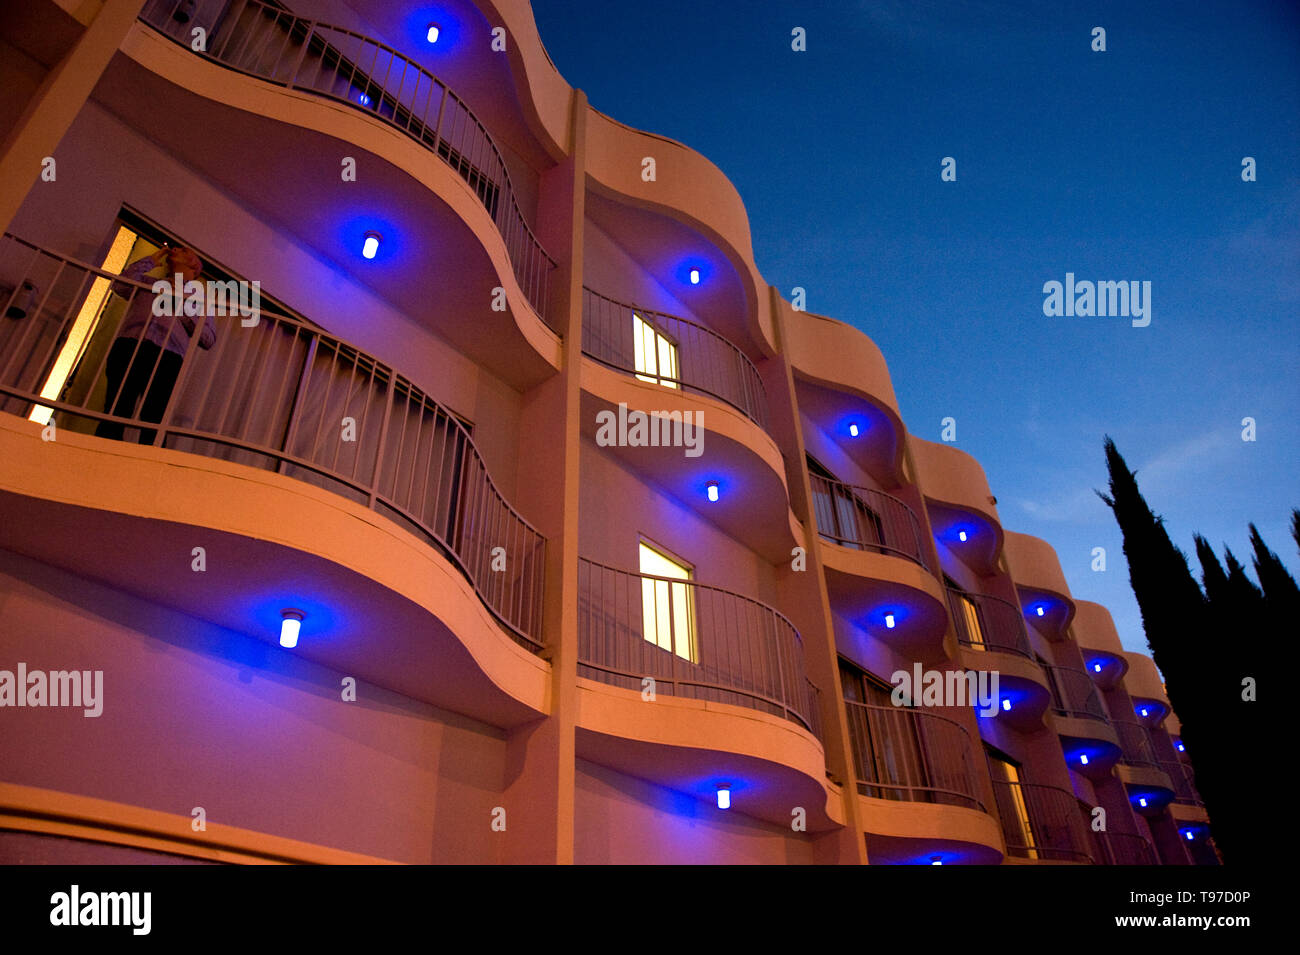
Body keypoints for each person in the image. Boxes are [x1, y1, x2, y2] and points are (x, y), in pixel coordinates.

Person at [95, 244, 216, 443]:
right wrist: (151, 260)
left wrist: (181, 304)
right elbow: (120, 285)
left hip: (168, 356)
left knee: (154, 415)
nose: (176, 249)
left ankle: (148, 461)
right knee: (117, 407)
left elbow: (208, 338)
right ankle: (103, 451)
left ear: (194, 265)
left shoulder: (200, 301)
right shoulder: (148, 283)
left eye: (184, 251)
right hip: (130, 345)